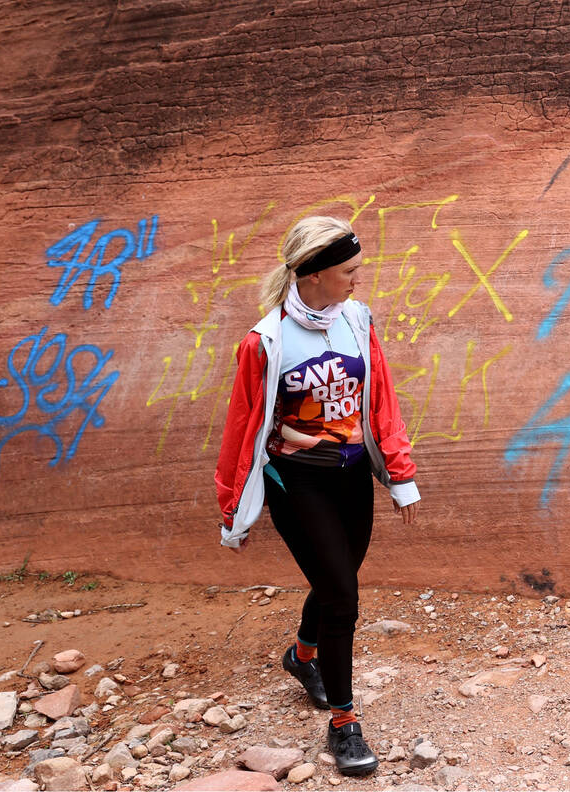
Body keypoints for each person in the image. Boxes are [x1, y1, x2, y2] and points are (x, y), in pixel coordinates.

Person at [214, 215, 419, 776]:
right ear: (315, 273)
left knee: (339, 581)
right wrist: (234, 508)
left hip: (352, 475)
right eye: (349, 270)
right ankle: (345, 725)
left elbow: (382, 401)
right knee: (343, 597)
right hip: (296, 481)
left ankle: (302, 656)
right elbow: (243, 426)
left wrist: (400, 476)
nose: (359, 278)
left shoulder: (357, 318)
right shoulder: (266, 342)